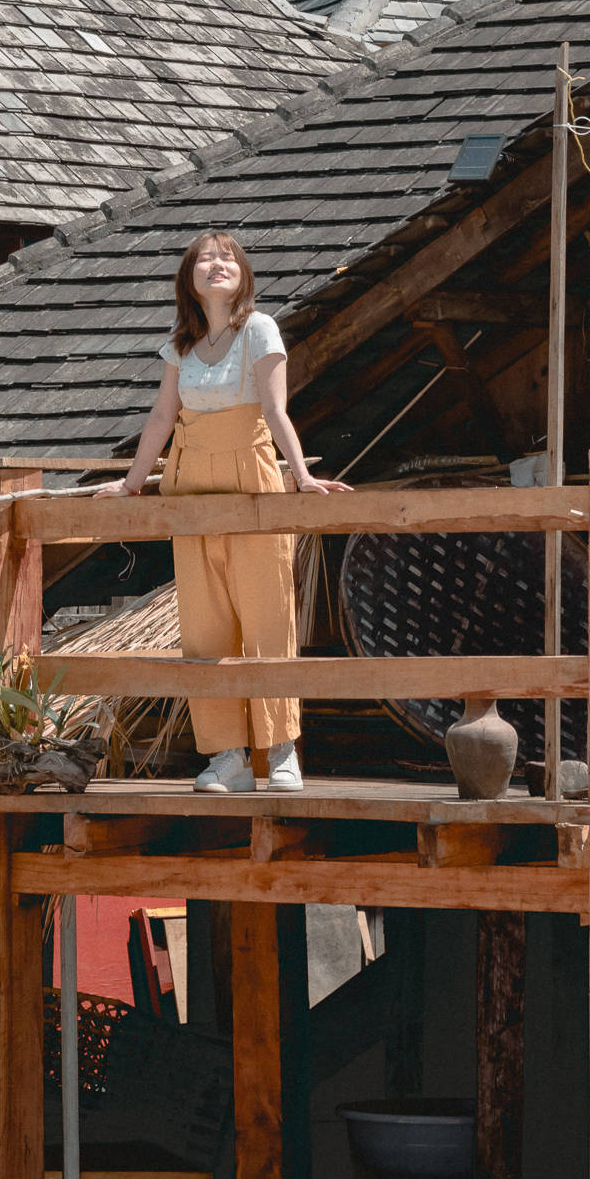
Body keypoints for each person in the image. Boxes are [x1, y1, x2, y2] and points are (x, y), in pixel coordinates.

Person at [115, 231, 348, 792]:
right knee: (204, 622)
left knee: (267, 613)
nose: (215, 266)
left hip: (251, 473)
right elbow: (160, 420)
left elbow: (275, 408)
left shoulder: (260, 329)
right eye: (203, 260)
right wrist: (128, 487)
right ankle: (227, 757)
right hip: (189, 478)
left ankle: (282, 751)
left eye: (226, 258)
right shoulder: (181, 345)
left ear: (242, 273)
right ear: (188, 279)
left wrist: (301, 474)